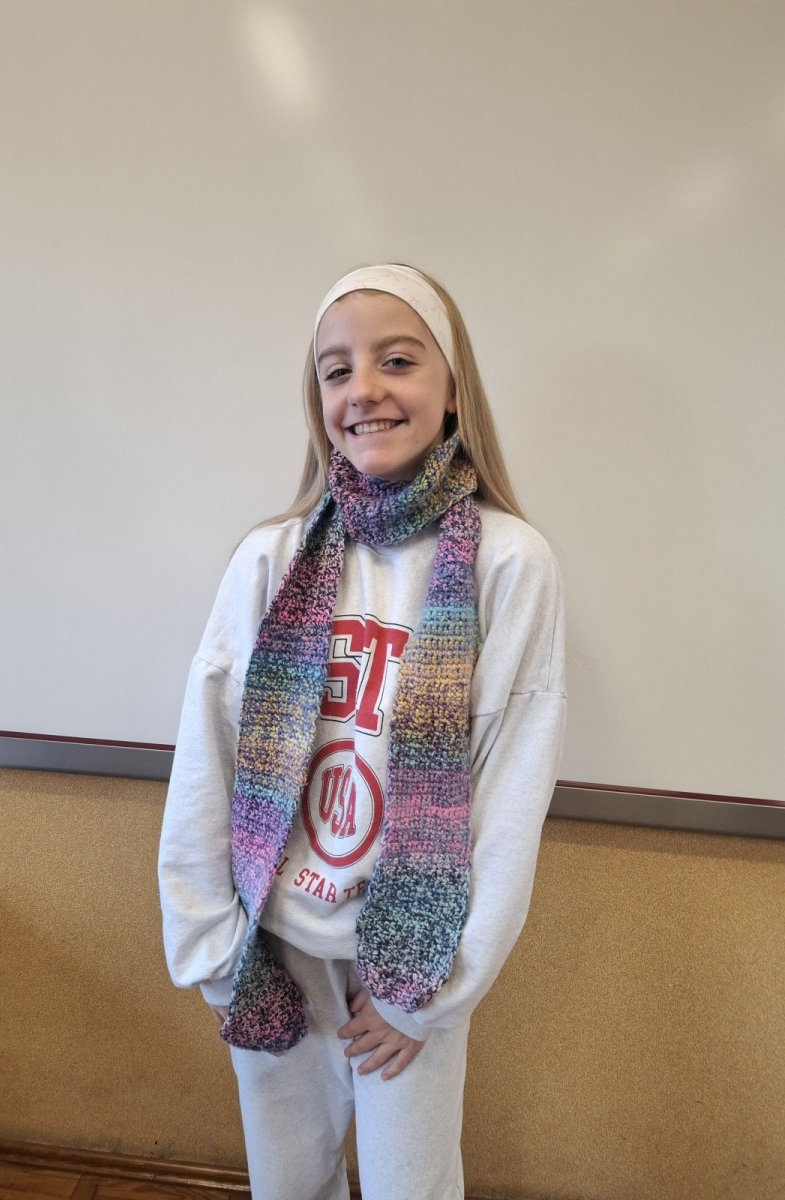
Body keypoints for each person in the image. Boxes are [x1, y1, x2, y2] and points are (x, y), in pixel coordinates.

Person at [158, 263, 566, 1200]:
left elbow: (510, 794)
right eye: (337, 370)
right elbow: (208, 754)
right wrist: (216, 954)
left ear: (454, 389)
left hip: (414, 964)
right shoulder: (270, 558)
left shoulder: (510, 564)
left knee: (408, 1188)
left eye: (398, 360)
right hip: (274, 951)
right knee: (286, 1182)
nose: (365, 389)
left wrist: (431, 995)